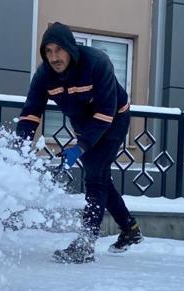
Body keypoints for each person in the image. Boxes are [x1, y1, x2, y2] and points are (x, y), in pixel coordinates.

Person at [16, 22, 142, 264]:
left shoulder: (97, 63)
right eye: (48, 51)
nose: (54, 57)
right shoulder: (44, 76)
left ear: (71, 49)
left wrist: (80, 147)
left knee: (95, 175)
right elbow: (31, 113)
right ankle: (130, 228)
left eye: (58, 50)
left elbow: (106, 112)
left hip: (114, 118)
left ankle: (86, 243)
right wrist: (19, 149)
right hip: (83, 122)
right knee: (100, 174)